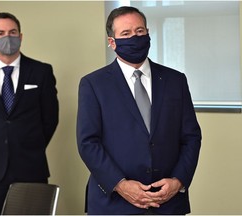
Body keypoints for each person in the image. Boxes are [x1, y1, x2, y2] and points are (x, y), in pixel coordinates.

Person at [76, 6, 201, 215]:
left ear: (148, 33)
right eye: (126, 33)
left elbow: (191, 137)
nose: (135, 37)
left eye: (140, 31)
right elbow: (88, 143)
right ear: (112, 42)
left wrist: (178, 181)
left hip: (167, 203)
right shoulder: (93, 84)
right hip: (114, 203)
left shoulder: (175, 80)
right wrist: (121, 185)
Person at [0, 12, 59, 214]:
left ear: (21, 36)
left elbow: (50, 118)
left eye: (12, 32)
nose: (7, 37)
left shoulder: (41, 71)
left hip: (31, 165)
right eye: (0, 33)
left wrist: (30, 143)